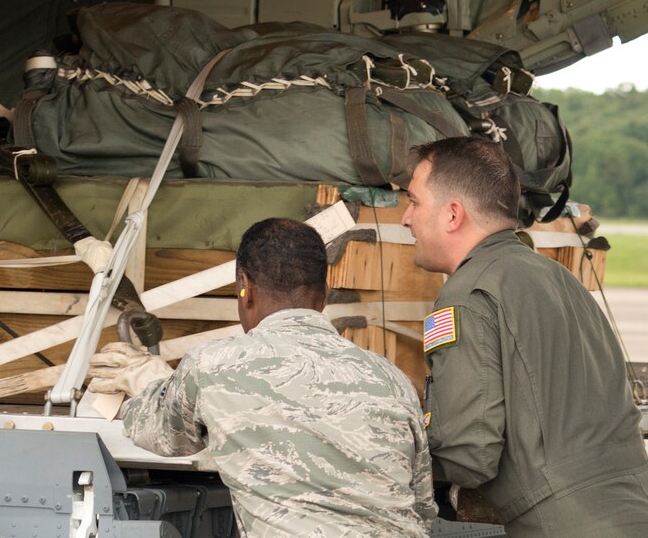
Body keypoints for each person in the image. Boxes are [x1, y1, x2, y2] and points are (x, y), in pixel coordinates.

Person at [87, 218, 437, 537]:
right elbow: (422, 507)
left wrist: (149, 383)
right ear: (325, 295)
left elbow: (161, 435)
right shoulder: (393, 379)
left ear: (245, 287)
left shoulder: (215, 366)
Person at [401, 136, 648, 536]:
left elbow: (470, 452)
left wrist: (389, 456)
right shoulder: (559, 278)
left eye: (413, 202)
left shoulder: (467, 294)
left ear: (452, 215)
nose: (406, 218)